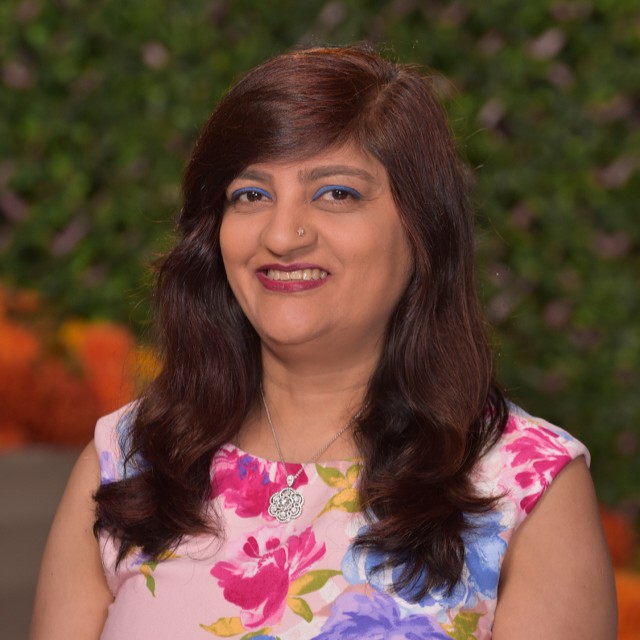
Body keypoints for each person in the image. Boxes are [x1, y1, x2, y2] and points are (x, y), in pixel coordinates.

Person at [30, 44, 617, 640]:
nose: (283, 235)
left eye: (336, 193)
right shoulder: (128, 462)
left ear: (422, 229)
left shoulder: (524, 486)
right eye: (251, 195)